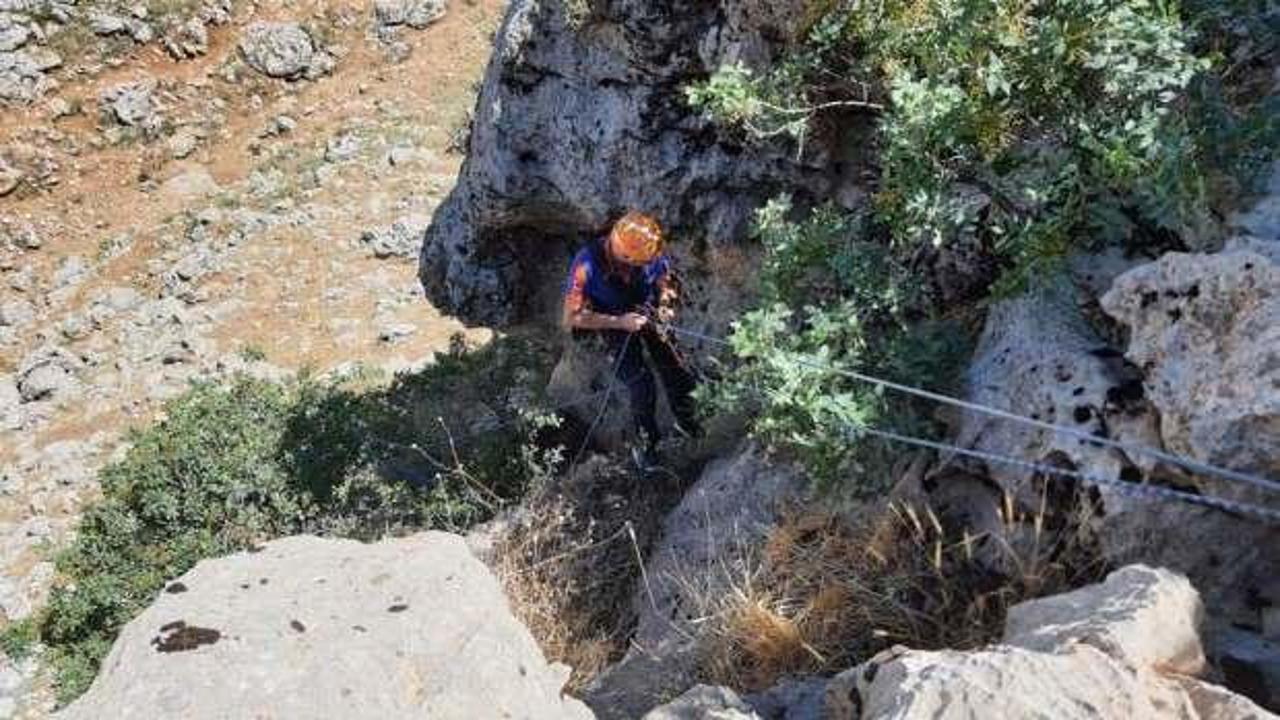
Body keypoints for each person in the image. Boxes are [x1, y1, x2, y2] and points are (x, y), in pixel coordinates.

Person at [562, 210, 701, 470]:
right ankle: (647, 448)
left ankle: (688, 423)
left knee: (676, 369)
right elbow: (573, 316)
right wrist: (619, 322)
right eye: (638, 263)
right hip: (612, 322)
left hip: (648, 311)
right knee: (641, 385)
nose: (642, 265)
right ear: (624, 254)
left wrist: (665, 305)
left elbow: (664, 279)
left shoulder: (649, 249)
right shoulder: (586, 266)